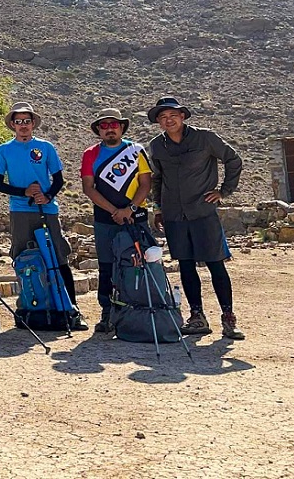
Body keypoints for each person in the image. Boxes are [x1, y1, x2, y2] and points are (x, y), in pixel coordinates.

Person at [147, 96, 245, 340]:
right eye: (163, 117)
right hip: (174, 214)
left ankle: (228, 318)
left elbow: (233, 159)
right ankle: (197, 316)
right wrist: (158, 208)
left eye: (173, 115)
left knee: (215, 263)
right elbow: (157, 179)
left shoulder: (205, 138)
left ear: (182, 116)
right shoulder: (157, 146)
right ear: (158, 122)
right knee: (186, 265)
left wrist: (224, 191)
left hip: (203, 212)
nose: (169, 120)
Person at [0, 102, 87, 331]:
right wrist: (23, 192)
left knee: (59, 257)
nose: (23, 125)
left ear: (33, 123)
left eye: (27, 121)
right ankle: (30, 307)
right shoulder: (3, 150)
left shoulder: (46, 147)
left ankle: (71, 311)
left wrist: (47, 196)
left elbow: (59, 180)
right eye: (19, 121)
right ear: (13, 125)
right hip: (20, 210)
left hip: (47, 210)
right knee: (23, 257)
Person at [80, 108, 154, 333]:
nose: (109, 129)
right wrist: (115, 211)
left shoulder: (136, 150)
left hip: (136, 217)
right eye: (104, 125)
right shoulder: (90, 154)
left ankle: (143, 309)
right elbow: (88, 188)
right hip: (105, 218)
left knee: (140, 262)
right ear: (98, 130)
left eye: (114, 124)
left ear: (121, 127)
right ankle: (107, 311)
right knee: (106, 265)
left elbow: (145, 183)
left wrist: (129, 209)